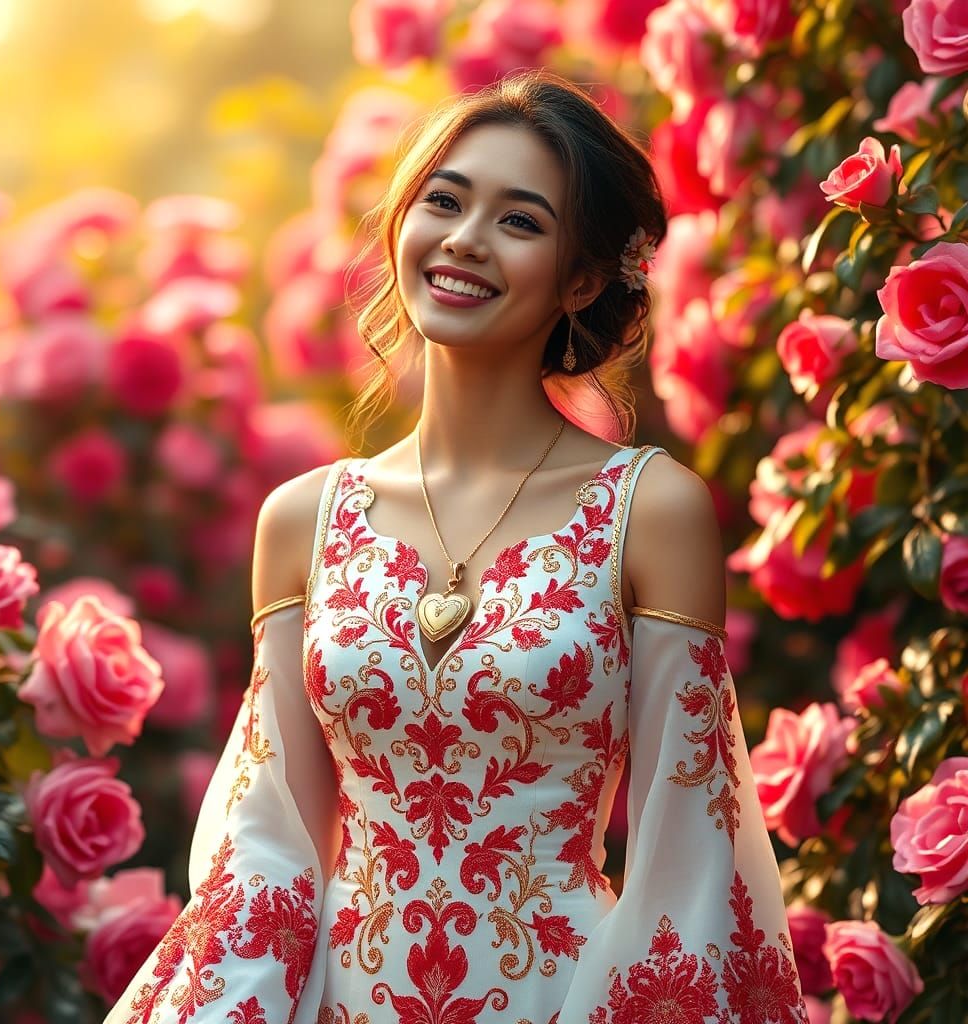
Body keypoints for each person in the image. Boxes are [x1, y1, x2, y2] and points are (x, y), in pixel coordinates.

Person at [103, 69, 809, 1024]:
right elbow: (272, 844)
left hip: (563, 1001)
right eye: (444, 200)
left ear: (583, 279)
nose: (466, 238)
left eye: (520, 221)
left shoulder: (650, 510)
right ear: (402, 225)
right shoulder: (304, 518)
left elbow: (688, 855)